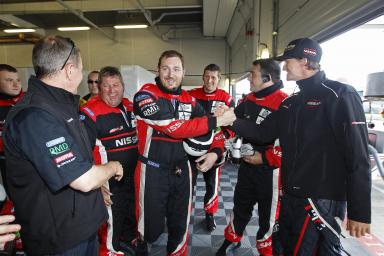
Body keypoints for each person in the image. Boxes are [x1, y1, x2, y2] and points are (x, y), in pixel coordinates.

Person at [229, 38, 371, 255]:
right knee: (282, 249)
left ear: (306, 61)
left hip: (321, 200)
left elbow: (358, 155)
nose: (284, 66)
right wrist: (229, 119)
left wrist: (359, 211)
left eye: (288, 60)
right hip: (289, 197)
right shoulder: (290, 103)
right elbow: (262, 133)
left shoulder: (340, 94)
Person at [2, 35, 124, 255]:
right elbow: (83, 179)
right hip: (58, 240)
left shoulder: (61, 105)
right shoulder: (35, 116)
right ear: (69, 70)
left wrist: (98, 187)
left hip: (81, 227)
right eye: (81, 68)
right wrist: (113, 167)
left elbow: (76, 164)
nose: (82, 73)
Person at [133, 50, 236, 256]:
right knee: (149, 230)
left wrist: (215, 152)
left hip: (183, 172)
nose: (171, 74)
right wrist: (216, 120)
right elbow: (174, 127)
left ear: (184, 72)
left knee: (180, 224)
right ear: (158, 70)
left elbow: (210, 131)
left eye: (176, 69)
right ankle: (141, 246)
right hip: (152, 173)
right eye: (165, 69)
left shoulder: (189, 100)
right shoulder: (145, 95)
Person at [216, 59, 287, 256]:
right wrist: (224, 116)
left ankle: (267, 251)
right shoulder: (249, 99)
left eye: (252, 74)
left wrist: (263, 158)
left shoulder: (285, 102)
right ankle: (232, 239)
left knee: (269, 217)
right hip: (247, 166)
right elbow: (232, 123)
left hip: (271, 171)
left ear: (267, 78)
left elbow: (263, 134)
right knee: (240, 206)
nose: (249, 77)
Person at [80, 66, 138, 255]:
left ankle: (129, 241)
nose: (112, 90)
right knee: (111, 224)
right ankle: (109, 251)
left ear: (123, 86)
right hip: (108, 183)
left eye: (116, 85)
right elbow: (82, 153)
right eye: (106, 86)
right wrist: (98, 185)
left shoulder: (130, 107)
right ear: (99, 87)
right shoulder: (90, 112)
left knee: (130, 216)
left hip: (132, 179)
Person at [188, 64, 235, 232]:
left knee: (211, 184)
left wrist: (222, 138)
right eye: (207, 76)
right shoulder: (191, 95)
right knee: (187, 183)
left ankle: (210, 214)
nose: (209, 80)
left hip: (213, 150)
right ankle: (184, 213)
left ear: (219, 79)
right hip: (190, 149)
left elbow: (233, 123)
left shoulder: (226, 98)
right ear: (202, 77)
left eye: (213, 77)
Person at [0, 64, 23, 183]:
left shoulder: (29, 100)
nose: (16, 84)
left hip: (31, 158)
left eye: (18, 80)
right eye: (9, 80)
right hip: (6, 159)